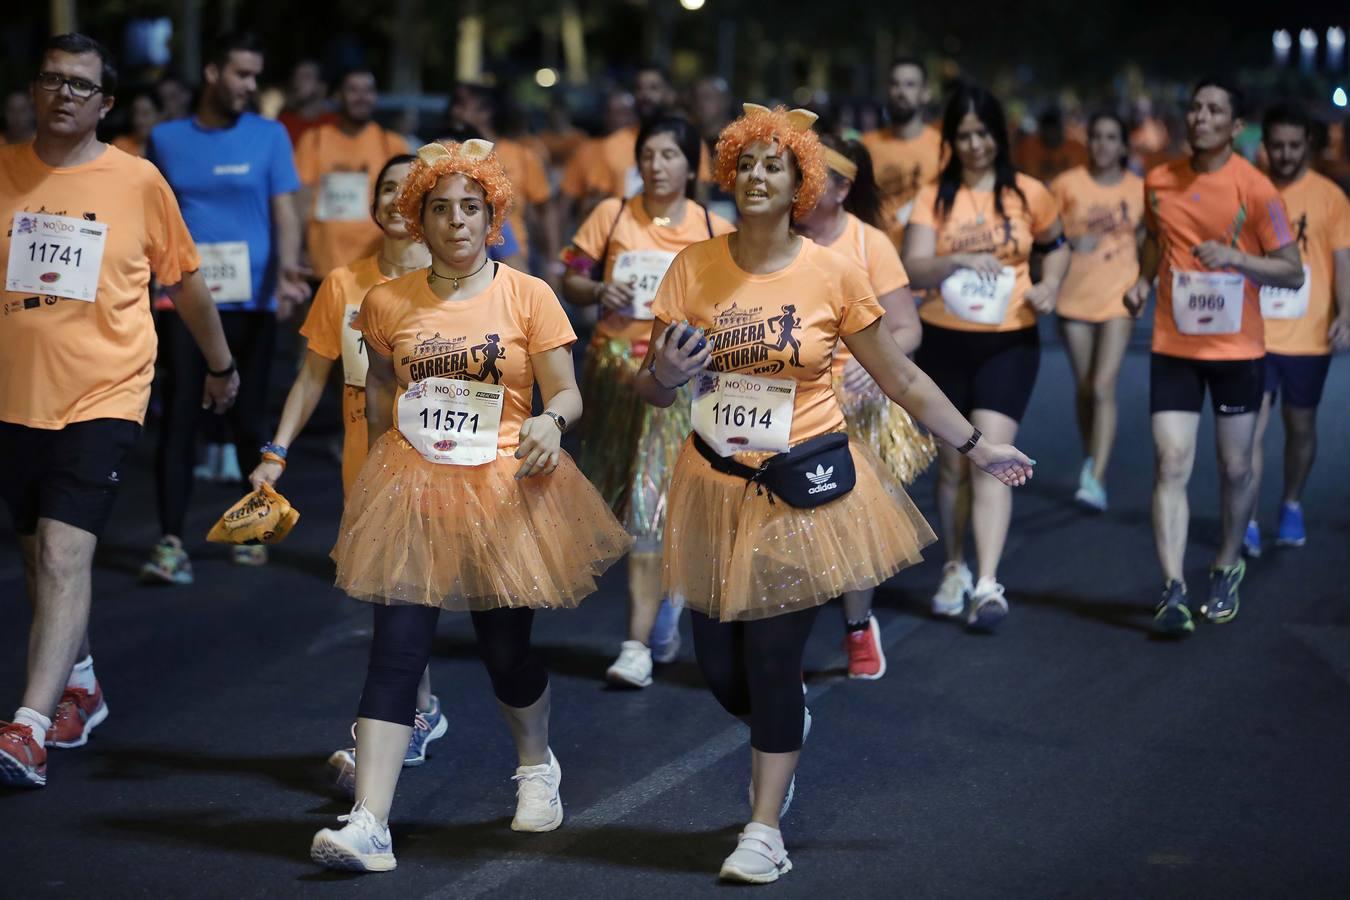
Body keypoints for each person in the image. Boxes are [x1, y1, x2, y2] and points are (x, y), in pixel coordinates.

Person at [637, 104, 1034, 883]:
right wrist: (664, 378)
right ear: (729, 174)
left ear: (801, 186)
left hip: (802, 487)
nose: (757, 177)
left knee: (776, 658)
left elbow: (903, 377)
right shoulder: (692, 267)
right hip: (714, 485)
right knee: (723, 671)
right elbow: (651, 387)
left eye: (774, 167)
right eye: (745, 164)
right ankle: (783, 727)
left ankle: (761, 831)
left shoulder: (834, 271)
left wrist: (977, 445)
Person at [308, 139, 630, 871]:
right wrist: (391, 465)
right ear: (416, 220)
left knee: (505, 652)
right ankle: (371, 822)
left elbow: (568, 390)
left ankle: (535, 766)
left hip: (504, 488)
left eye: (471, 209)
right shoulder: (386, 303)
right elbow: (388, 393)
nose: (456, 222)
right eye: (441, 209)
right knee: (396, 651)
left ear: (493, 217)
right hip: (415, 486)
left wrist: (552, 421)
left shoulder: (528, 295)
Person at [0, 33, 239, 788]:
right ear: (33, 93)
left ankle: (28, 729)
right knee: (39, 554)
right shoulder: (2, 172)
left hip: (105, 391)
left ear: (105, 104)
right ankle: (83, 684)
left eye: (81, 85)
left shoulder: (137, 182)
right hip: (14, 397)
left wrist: (220, 364)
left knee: (67, 553)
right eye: (52, 81)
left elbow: (188, 281)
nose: (64, 94)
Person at [247, 154, 450, 788]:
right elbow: (311, 379)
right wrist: (275, 452)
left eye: (407, 190)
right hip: (365, 457)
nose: (395, 199)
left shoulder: (453, 282)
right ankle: (423, 708)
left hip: (435, 455)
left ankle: (406, 719)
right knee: (392, 589)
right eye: (385, 188)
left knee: (404, 586)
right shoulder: (343, 283)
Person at [1123, 78, 1303, 636]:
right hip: (1174, 344)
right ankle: (1173, 587)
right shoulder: (1159, 179)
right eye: (1196, 106)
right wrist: (1142, 279)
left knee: (1236, 466)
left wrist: (1234, 257)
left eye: (1214, 109)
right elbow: (1155, 237)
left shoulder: (1257, 188)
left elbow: (1291, 269)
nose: (1200, 116)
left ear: (1235, 125)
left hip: (1236, 348)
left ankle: (1226, 564)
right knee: (1172, 461)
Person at [560, 116, 734, 688]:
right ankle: (665, 601)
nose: (657, 165)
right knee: (621, 499)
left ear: (692, 164)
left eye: (669, 154)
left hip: (677, 381)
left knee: (650, 502)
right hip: (614, 374)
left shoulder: (713, 227)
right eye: (649, 155)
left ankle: (636, 642)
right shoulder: (612, 216)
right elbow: (573, 274)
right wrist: (594, 289)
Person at [139, 31, 309, 582]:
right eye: (241, 74)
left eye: (255, 76)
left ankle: (253, 527)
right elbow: (150, 218)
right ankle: (168, 541)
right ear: (212, 73)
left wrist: (286, 269)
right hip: (185, 302)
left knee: (247, 418)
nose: (250, 86)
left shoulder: (269, 136)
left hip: (252, 302)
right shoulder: (165, 139)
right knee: (181, 416)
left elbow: (284, 207)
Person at [902, 83, 1069, 631]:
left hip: (1009, 340)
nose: (974, 146)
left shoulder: (1029, 194)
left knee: (993, 456)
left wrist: (1049, 286)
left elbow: (1056, 247)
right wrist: (960, 259)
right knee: (953, 464)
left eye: (982, 134)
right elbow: (915, 267)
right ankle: (954, 565)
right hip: (944, 339)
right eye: (963, 136)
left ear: (999, 136)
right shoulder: (935, 195)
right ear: (951, 140)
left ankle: (988, 581)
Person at [795, 134, 934, 680]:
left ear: (843, 187)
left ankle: (857, 629)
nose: (800, 184)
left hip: (855, 405)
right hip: (788, 403)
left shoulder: (869, 243)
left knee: (853, 523)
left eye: (812, 174)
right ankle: (782, 638)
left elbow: (907, 325)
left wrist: (874, 367)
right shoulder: (775, 237)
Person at [1244, 103, 1350, 556]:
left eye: (1294, 145)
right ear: (1264, 146)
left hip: (1309, 333)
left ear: (1307, 144)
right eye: (1277, 146)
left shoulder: (1331, 197)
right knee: (1249, 429)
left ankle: (1291, 503)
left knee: (1300, 424)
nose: (1285, 154)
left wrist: (1346, 312)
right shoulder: (1249, 192)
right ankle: (1245, 516)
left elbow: (1342, 259)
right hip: (1254, 332)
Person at [1049, 112, 1145, 511]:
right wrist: (1071, 240)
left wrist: (1145, 279)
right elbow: (1045, 234)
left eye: (1112, 137)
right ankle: (1093, 456)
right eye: (1097, 137)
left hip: (1119, 296)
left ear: (1124, 145)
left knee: (1104, 384)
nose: (1104, 144)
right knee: (1086, 387)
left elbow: (1148, 235)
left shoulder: (1141, 188)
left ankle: (1097, 476)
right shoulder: (1066, 185)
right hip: (1074, 294)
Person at [294, 68, 410, 280]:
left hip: (378, 266)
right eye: (353, 90)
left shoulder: (392, 145)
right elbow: (300, 202)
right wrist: (298, 251)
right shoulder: (315, 141)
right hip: (322, 268)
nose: (361, 97)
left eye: (368, 90)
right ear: (338, 95)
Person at [450, 83, 557, 264]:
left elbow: (546, 211)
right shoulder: (452, 155)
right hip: (461, 258)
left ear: (485, 113)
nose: (455, 111)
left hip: (513, 259)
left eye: (462, 105)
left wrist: (553, 262)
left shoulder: (522, 156)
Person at [862, 57, 944, 250]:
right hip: (877, 257)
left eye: (910, 85)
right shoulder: (866, 145)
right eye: (895, 84)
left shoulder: (942, 148)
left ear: (925, 93)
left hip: (926, 259)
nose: (901, 92)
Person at [1015, 107, 1090, 183]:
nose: (1051, 134)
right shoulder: (1027, 148)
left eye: (1054, 128)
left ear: (1061, 129)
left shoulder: (1077, 149)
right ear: (1041, 130)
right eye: (1048, 129)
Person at [277, 59, 335, 147]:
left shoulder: (335, 123)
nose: (298, 81)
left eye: (307, 77)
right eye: (296, 76)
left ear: (322, 87)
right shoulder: (283, 123)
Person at [111, 91, 160, 157]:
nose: (139, 120)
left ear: (159, 116)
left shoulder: (168, 146)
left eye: (146, 114)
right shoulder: (120, 146)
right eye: (134, 114)